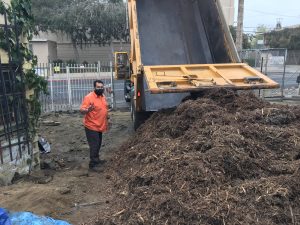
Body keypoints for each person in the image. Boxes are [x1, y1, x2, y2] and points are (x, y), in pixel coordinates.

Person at [80, 80, 110, 171]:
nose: (100, 89)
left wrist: (108, 118)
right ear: (94, 88)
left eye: (101, 87)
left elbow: (105, 108)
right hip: (91, 126)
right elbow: (81, 110)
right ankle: (93, 164)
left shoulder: (103, 96)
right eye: (98, 87)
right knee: (94, 145)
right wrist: (87, 110)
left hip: (100, 126)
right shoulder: (89, 97)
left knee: (98, 144)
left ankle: (97, 160)